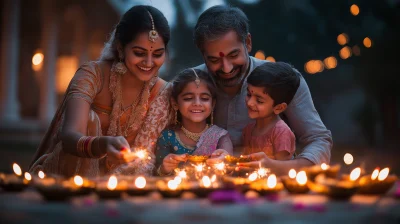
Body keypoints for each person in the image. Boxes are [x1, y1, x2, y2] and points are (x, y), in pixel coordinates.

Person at [29, 5, 174, 177]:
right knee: (91, 120)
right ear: (120, 47)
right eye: (139, 53)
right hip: (67, 178)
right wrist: (101, 145)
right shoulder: (92, 75)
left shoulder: (162, 92)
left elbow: (148, 158)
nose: (149, 62)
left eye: (157, 54)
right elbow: (69, 136)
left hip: (126, 183)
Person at [193, 5, 332, 174]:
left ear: (248, 43)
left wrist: (280, 168)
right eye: (214, 60)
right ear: (203, 55)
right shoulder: (189, 84)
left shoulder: (284, 80)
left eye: (233, 55)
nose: (227, 68)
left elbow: (318, 139)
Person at [155, 68, 233, 176]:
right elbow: (156, 176)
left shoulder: (220, 136)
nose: (197, 103)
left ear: (213, 104)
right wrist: (164, 168)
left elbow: (229, 171)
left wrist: (225, 161)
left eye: (204, 98)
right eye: (188, 98)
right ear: (175, 103)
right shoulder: (167, 137)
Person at [241, 62, 299, 161]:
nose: (250, 103)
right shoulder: (248, 130)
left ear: (279, 108)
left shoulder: (281, 133)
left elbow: (282, 168)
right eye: (248, 94)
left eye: (259, 100)